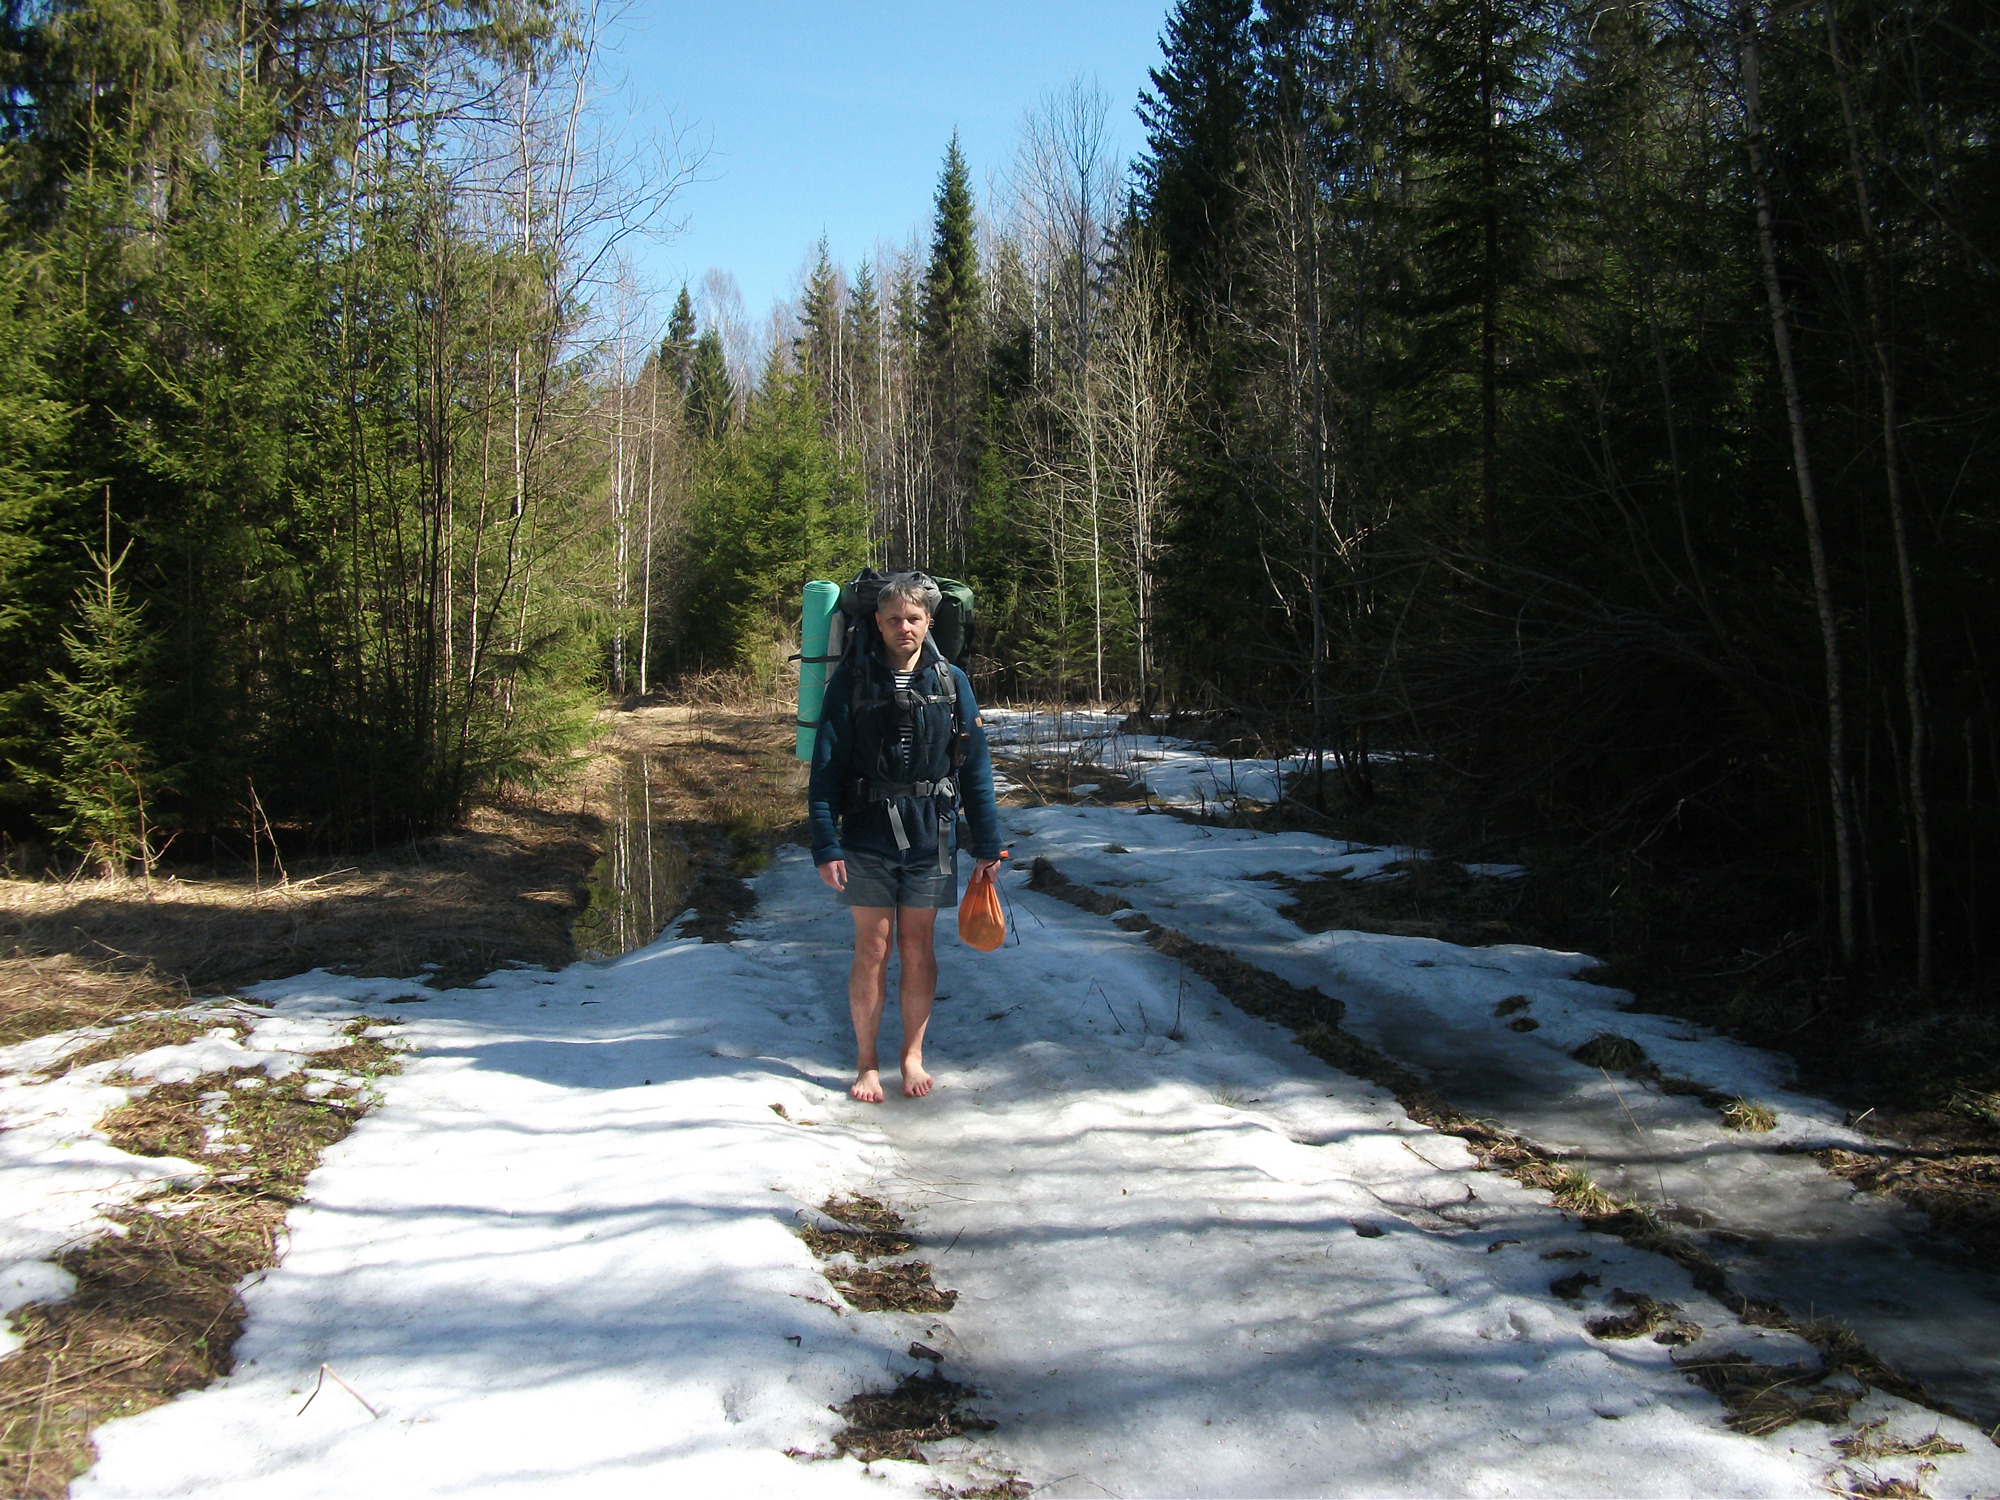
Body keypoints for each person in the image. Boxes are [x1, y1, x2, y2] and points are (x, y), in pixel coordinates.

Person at [808, 572, 1003, 1102]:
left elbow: (976, 768)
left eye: (913, 618)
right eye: (893, 619)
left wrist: (987, 844)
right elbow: (825, 769)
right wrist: (825, 843)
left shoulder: (952, 681)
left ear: (929, 621)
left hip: (930, 835)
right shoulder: (851, 681)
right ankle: (867, 1063)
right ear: (877, 622)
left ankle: (912, 1056)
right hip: (866, 833)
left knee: (917, 946)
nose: (904, 628)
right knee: (873, 947)